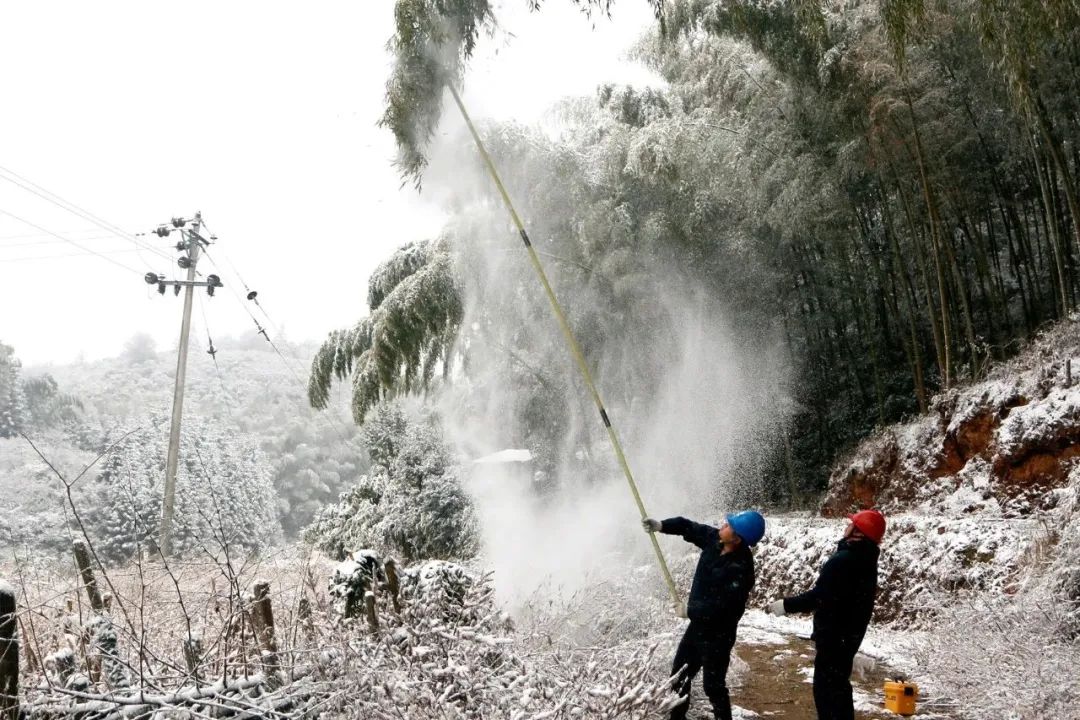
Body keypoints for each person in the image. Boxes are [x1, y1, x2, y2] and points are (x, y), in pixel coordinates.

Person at [642, 510, 765, 720]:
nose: (723, 526)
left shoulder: (742, 569)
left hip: (719, 635)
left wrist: (690, 610)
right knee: (679, 676)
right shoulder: (714, 540)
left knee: (713, 686)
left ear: (737, 539)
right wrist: (661, 525)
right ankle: (677, 717)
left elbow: (724, 609)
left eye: (728, 526)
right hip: (697, 628)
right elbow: (687, 526)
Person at [765, 509, 886, 720]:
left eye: (851, 524)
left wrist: (785, 605)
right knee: (839, 689)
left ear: (858, 532)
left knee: (827, 694)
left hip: (834, 637)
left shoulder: (845, 560)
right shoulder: (866, 558)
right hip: (848, 636)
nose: (846, 526)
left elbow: (820, 596)